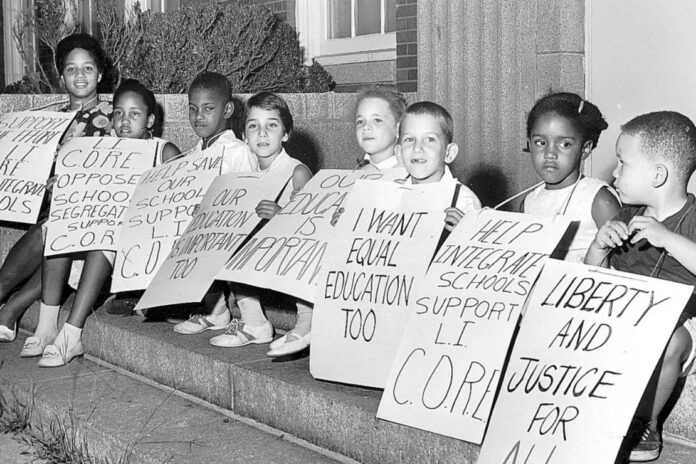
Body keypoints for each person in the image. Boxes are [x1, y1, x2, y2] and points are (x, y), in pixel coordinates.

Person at [22, 79, 181, 367]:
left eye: (134, 114)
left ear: (151, 120)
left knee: (105, 235)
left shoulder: (163, 151)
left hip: (138, 245)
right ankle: (46, 327)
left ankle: (72, 333)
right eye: (118, 113)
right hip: (101, 237)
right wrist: (63, 186)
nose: (124, 121)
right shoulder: (100, 151)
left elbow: (177, 204)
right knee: (63, 223)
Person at [584, 111, 696, 462]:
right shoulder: (624, 217)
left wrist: (666, 238)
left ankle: (645, 421)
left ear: (658, 174)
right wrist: (599, 247)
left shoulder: (693, 217)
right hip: (626, 313)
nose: (614, 173)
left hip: (681, 321)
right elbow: (591, 276)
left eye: (622, 163)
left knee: (672, 339)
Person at [174, 92, 314, 357]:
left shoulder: (296, 172)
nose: (262, 134)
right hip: (259, 256)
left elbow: (312, 228)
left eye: (271, 125)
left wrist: (281, 215)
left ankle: (307, 320)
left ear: (286, 133)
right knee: (220, 237)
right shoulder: (246, 177)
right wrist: (208, 214)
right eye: (253, 126)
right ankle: (254, 322)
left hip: (292, 256)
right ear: (245, 137)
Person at [0, 33, 113, 343]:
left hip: (92, 213)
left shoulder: (113, 116)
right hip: (50, 209)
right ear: (62, 76)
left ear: (100, 74)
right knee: (49, 230)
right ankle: (7, 309)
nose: (80, 75)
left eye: (88, 68)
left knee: (50, 232)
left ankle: (10, 307)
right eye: (71, 69)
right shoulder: (50, 118)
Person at [521, 92, 621, 262]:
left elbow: (624, 265)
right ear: (529, 144)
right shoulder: (528, 202)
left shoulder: (599, 199)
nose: (550, 154)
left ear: (585, 149)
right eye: (540, 143)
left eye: (564, 144)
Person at [395, 101, 481, 232]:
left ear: (449, 153)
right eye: (409, 139)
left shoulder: (464, 201)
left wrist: (464, 235)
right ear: (399, 154)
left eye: (430, 139)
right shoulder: (390, 195)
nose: (417, 148)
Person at [353, 85, 407, 170]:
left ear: (398, 129)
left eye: (377, 120)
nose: (366, 127)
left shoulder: (410, 175)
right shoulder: (353, 175)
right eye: (360, 121)